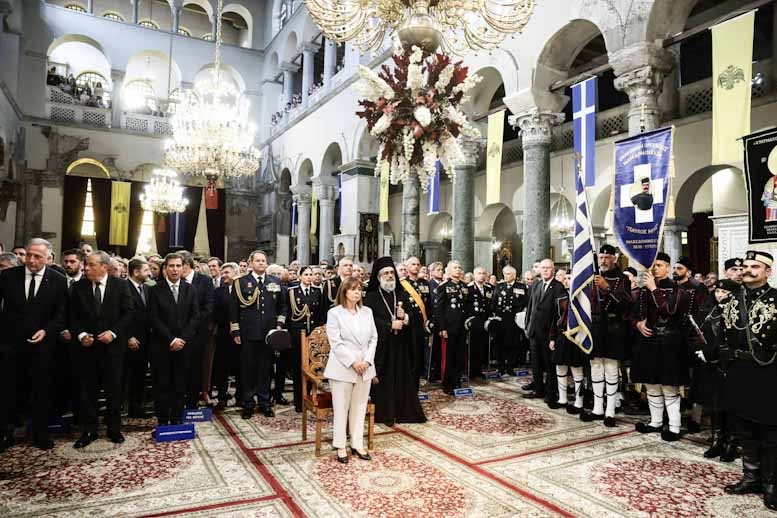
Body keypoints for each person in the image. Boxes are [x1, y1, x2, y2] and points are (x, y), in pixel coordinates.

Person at [720, 251, 777, 511]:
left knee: (770, 430)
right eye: (745, 265)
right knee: (744, 427)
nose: (748, 270)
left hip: (768, 371)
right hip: (739, 371)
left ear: (768, 272)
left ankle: (771, 484)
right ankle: (751, 477)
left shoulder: (776, 299)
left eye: (755, 266)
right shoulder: (733, 299)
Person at [0, 239, 68, 451]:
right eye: (29, 255)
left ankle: (40, 432)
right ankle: (5, 432)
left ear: (48, 258)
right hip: (11, 345)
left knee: (41, 390)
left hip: (43, 346)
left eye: (37, 256)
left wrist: (47, 330)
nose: (31, 260)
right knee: (8, 390)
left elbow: (62, 313)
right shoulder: (8, 276)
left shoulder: (58, 280)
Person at [69, 251, 133, 448]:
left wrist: (113, 333)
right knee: (88, 391)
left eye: (91, 265)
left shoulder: (120, 285)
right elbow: (71, 316)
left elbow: (129, 313)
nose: (86, 268)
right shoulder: (78, 287)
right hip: (87, 349)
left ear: (104, 267)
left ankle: (114, 429)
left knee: (114, 390)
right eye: (86, 265)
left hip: (113, 349)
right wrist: (81, 335)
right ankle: (90, 430)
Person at [631, 252, 692, 441]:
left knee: (669, 387)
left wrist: (653, 288)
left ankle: (674, 427)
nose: (655, 268)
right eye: (653, 265)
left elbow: (669, 310)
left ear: (668, 267)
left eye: (659, 265)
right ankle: (656, 422)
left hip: (669, 344)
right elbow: (631, 313)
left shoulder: (678, 289)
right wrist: (638, 324)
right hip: (649, 343)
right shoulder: (643, 291)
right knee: (651, 385)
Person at [365, 257, 426, 425]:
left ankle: (402, 412)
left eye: (392, 272)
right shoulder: (371, 297)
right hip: (381, 347)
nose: (390, 276)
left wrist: (405, 317)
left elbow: (415, 316)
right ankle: (384, 413)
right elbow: (368, 320)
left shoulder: (401, 294)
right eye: (386, 273)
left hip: (400, 346)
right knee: (384, 380)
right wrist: (389, 325)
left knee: (401, 378)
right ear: (378, 277)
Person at [325, 276, 377, 463]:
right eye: (353, 289)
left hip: (365, 368)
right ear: (344, 291)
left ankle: (357, 443)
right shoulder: (335, 313)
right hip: (343, 367)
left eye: (359, 289)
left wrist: (367, 361)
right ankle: (340, 446)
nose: (357, 292)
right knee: (341, 409)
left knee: (360, 407)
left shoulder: (367, 312)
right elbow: (336, 342)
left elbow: (373, 338)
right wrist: (354, 362)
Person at [229, 250, 286, 419]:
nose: (261, 263)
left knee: (266, 370)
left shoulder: (275, 281)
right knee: (248, 370)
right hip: (248, 333)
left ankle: (264, 403)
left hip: (269, 335)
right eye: (258, 260)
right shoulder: (240, 282)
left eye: (263, 260)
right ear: (251, 263)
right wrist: (235, 331)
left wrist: (279, 325)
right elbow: (234, 308)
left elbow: (282, 306)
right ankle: (248, 403)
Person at [580, 245, 633, 427]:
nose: (603, 261)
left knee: (611, 369)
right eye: (601, 257)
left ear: (614, 259)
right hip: (595, 327)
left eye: (607, 257)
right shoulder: (592, 277)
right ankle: (597, 408)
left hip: (614, 328)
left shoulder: (622, 279)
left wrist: (607, 287)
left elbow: (626, 304)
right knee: (595, 367)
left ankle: (610, 411)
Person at [148, 253, 200, 426]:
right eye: (171, 266)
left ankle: (177, 418)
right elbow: (153, 318)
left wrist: (182, 339)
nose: (175, 269)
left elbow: (195, 316)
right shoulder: (155, 290)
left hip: (184, 345)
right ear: (165, 269)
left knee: (180, 383)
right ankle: (163, 419)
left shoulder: (190, 289)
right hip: (162, 345)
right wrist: (171, 340)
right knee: (162, 384)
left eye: (178, 266)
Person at [697, 278, 739, 462]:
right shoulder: (710, 310)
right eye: (717, 292)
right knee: (715, 404)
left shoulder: (737, 311)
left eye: (724, 293)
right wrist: (701, 351)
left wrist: (712, 353)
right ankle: (717, 441)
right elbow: (699, 332)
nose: (720, 295)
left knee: (732, 405)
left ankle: (731, 443)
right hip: (712, 364)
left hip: (729, 363)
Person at [673, 256, 712, 434]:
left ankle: (696, 418)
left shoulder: (698, 287)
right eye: (675, 268)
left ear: (688, 272)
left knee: (697, 378)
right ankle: (675, 413)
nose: (676, 271)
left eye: (679, 268)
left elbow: (703, 313)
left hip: (692, 337)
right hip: (675, 336)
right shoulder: (672, 286)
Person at [524, 259, 566, 403]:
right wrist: (527, 325)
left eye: (548, 268)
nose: (545, 270)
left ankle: (551, 392)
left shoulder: (558, 287)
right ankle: (538, 389)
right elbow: (531, 307)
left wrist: (554, 336)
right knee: (535, 363)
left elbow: (559, 314)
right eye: (543, 268)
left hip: (549, 333)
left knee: (549, 365)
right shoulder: (536, 284)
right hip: (534, 331)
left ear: (553, 270)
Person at [286, 265, 325, 412]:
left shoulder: (317, 292)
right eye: (306, 274)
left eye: (311, 274)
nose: (309, 277)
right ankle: (298, 402)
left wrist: (319, 332)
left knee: (311, 367)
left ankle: (309, 398)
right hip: (297, 334)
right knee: (298, 368)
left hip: (312, 335)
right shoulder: (292, 292)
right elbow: (288, 314)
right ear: (300, 276)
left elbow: (321, 313)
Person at [180, 250, 215, 408]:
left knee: (195, 368)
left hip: (198, 333)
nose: (175, 269)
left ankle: (192, 401)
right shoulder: (173, 281)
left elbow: (209, 307)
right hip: (177, 334)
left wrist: (192, 325)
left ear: (187, 265)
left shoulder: (205, 281)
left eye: (179, 265)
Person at [547, 282, 586, 413]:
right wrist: (552, 338)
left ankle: (579, 402)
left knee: (576, 369)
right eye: (566, 278)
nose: (567, 281)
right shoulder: (561, 299)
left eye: (570, 278)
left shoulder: (582, 299)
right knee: (560, 367)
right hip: (561, 337)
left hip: (576, 338)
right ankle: (562, 399)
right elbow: (554, 319)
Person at [434, 260, 469, 395]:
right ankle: (447, 383)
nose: (458, 270)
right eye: (455, 268)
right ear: (448, 271)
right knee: (449, 356)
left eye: (459, 267)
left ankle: (457, 380)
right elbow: (439, 309)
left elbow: (467, 306)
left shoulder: (464, 286)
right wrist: (442, 328)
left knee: (460, 356)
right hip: (449, 327)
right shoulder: (443, 286)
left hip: (462, 326)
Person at [488, 265, 528, 376]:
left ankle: (510, 367)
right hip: (501, 319)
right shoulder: (499, 286)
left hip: (514, 319)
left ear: (514, 275)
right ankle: (501, 367)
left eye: (508, 274)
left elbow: (525, 302)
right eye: (504, 273)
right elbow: (494, 302)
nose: (506, 276)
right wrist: (494, 314)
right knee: (499, 344)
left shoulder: (521, 286)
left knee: (513, 344)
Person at [125, 257, 152, 418]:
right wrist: (129, 336)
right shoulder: (124, 288)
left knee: (140, 375)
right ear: (136, 272)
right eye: (146, 270)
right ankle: (125, 407)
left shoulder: (147, 289)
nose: (149, 273)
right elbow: (121, 314)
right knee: (128, 376)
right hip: (130, 340)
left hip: (145, 339)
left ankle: (137, 407)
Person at [401, 257, 433, 387]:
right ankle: (408, 384)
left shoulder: (425, 283)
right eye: (413, 264)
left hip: (422, 324)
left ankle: (416, 383)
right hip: (409, 324)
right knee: (410, 355)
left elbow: (429, 304)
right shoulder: (402, 284)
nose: (416, 266)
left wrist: (430, 321)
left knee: (420, 355)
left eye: (418, 264)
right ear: (407, 267)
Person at [213, 262, 241, 410]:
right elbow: (215, 311)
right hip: (223, 335)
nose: (223, 275)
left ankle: (240, 397)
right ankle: (222, 398)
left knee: (240, 368)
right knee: (221, 368)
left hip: (240, 335)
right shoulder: (218, 292)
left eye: (227, 273)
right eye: (222, 273)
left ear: (235, 273)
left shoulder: (243, 289)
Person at [465, 266, 493, 379]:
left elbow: (490, 305)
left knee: (482, 347)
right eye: (479, 273)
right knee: (473, 347)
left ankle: (479, 370)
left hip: (484, 322)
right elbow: (466, 305)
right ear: (474, 275)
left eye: (483, 273)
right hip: (473, 322)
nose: (481, 275)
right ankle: (471, 371)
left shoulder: (488, 289)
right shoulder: (469, 288)